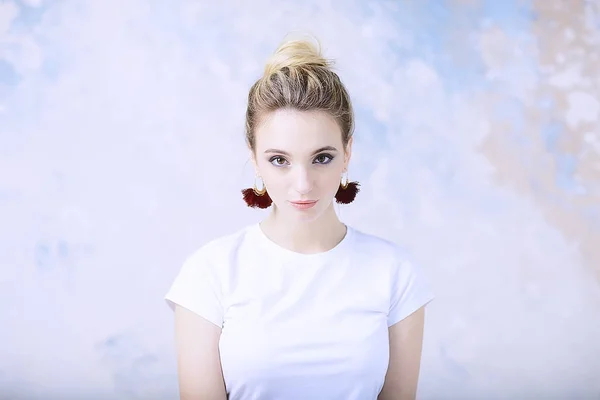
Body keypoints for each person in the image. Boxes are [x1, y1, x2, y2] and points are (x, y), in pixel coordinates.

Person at [165, 35, 435, 400]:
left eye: (321, 157)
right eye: (280, 160)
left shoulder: (395, 274)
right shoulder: (209, 273)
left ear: (347, 153)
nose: (303, 185)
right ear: (255, 159)